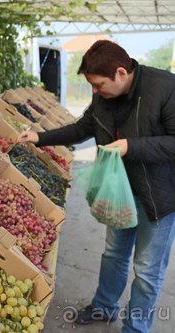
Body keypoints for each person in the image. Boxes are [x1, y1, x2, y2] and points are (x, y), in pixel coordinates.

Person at [18, 40, 175, 333]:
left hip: (160, 198)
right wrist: (39, 138)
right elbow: (81, 129)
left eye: (98, 84)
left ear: (120, 73)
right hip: (118, 192)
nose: (94, 91)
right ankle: (104, 308)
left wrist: (132, 147)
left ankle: (135, 328)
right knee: (114, 254)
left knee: (146, 272)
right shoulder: (104, 98)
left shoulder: (165, 88)